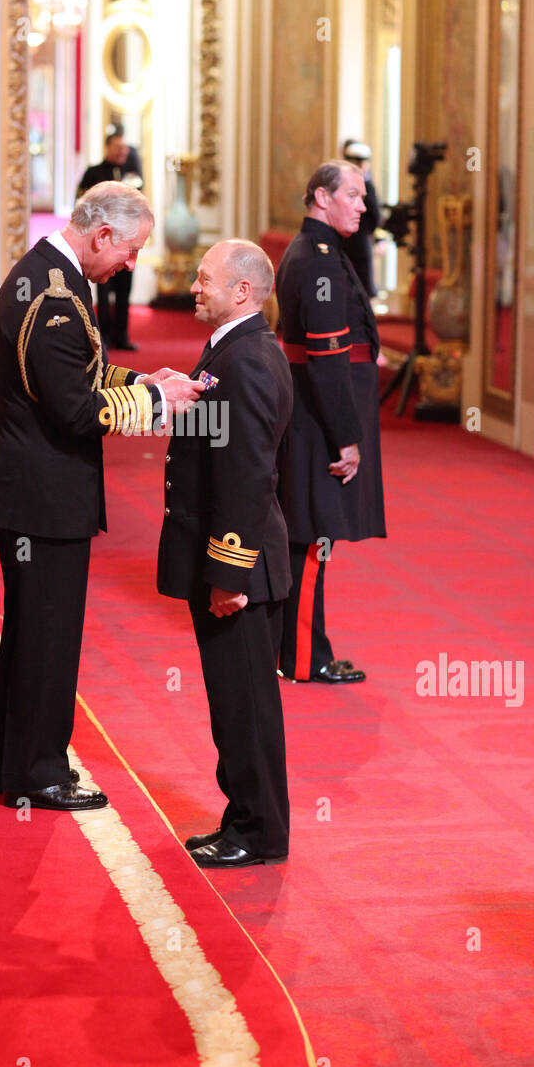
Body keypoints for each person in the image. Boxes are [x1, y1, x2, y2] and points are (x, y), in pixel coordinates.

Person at [0, 182, 202, 812]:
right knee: (47, 636)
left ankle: (11, 764)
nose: (130, 264)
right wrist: (158, 402)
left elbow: (81, 369)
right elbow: (76, 409)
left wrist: (141, 379)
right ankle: (38, 773)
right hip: (41, 497)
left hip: (32, 491)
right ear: (103, 235)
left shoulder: (54, 276)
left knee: (31, 633)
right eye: (129, 251)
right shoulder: (52, 294)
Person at [157, 240, 292, 868]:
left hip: (239, 568)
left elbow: (246, 474)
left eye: (205, 279)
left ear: (242, 291)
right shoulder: (230, 349)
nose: (193, 287)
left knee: (244, 705)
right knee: (233, 702)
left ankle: (257, 832)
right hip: (229, 558)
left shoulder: (247, 361)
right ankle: (243, 819)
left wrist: (228, 574)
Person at [276, 161, 387, 684]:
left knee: (313, 538)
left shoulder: (319, 251)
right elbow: (325, 357)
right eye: (354, 195)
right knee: (315, 538)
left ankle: (304, 649)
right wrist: (347, 437)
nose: (363, 206)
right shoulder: (319, 260)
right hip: (321, 421)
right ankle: (304, 657)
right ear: (322, 197)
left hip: (315, 413)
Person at [76, 127, 143, 351]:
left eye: (125, 148)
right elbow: (82, 203)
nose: (122, 151)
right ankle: (102, 336)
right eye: (118, 147)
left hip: (127, 242)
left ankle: (121, 336)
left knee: (125, 291)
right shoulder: (93, 172)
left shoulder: (132, 172)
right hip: (102, 243)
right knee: (103, 293)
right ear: (108, 148)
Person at [340, 139, 383, 297]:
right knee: (361, 293)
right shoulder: (366, 185)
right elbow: (376, 217)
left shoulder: (339, 184)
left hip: (344, 243)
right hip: (360, 244)